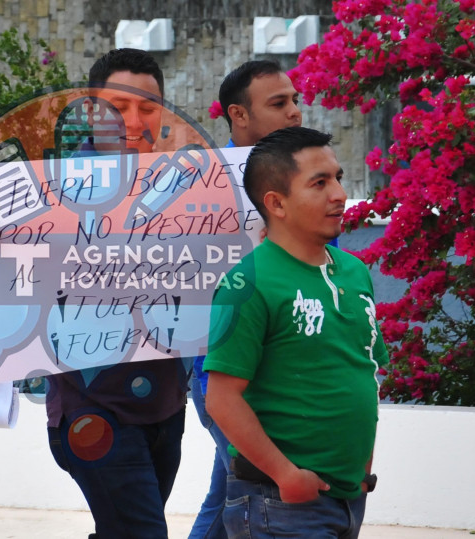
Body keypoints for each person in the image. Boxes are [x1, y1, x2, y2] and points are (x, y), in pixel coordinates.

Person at [204, 126, 386, 539]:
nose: (338, 194)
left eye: (338, 178)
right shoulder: (246, 283)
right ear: (277, 203)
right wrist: (286, 474)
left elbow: (365, 369)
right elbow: (221, 398)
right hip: (279, 505)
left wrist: (362, 470)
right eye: (319, 183)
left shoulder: (355, 272)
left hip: (347, 499)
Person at [43, 48, 190, 539]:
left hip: (166, 402)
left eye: (147, 107)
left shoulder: (192, 190)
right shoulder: (44, 195)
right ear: (88, 111)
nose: (133, 120)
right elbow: (3, 286)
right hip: (91, 405)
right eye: (117, 106)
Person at [188, 59, 303, 539]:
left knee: (232, 492)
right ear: (238, 115)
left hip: (290, 373)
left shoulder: (306, 177)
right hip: (225, 374)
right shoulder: (196, 189)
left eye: (295, 100)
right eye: (278, 104)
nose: (295, 113)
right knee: (255, 493)